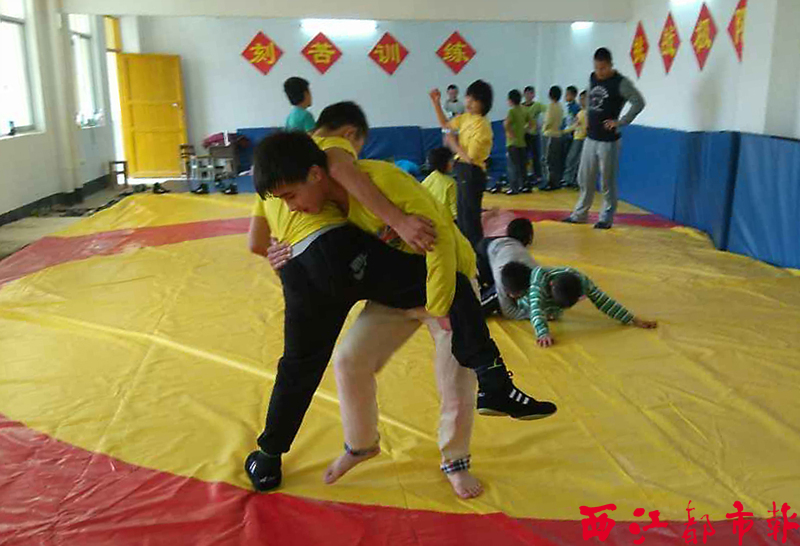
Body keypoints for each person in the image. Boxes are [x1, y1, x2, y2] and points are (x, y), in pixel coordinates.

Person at [245, 125, 557, 493]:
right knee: (348, 360)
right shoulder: (329, 202)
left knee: (454, 372)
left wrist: (438, 301)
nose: (292, 207)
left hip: (446, 275)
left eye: (291, 196)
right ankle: (360, 446)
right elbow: (269, 234)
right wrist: (278, 252)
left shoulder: (379, 178)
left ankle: (458, 457)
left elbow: (440, 243)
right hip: (400, 288)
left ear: (323, 166)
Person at [564, 47, 646, 229]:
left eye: (602, 68)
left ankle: (606, 217)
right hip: (590, 137)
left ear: (610, 65)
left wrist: (621, 121)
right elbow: (591, 98)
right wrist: (587, 116)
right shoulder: (593, 78)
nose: (599, 72)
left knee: (607, 181)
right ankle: (580, 214)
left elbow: (639, 102)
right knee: (585, 178)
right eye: (596, 68)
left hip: (609, 141)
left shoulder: (621, 83)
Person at [500, 262, 657, 347]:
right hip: (527, 295)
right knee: (526, 303)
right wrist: (543, 333)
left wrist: (631, 319)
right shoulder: (537, 283)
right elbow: (536, 308)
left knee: (553, 313)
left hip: (551, 304)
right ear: (551, 285)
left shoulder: (583, 282)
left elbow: (604, 301)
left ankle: (554, 309)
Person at [429, 80, 494, 248]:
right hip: (463, 170)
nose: (469, 103)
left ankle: (477, 253)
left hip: (473, 172)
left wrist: (453, 143)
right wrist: (436, 103)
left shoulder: (482, 126)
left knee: (470, 219)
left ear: (484, 104)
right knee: (463, 216)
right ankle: (467, 251)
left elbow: (470, 158)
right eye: (468, 98)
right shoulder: (466, 118)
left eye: (474, 100)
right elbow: (446, 125)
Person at [474, 218, 537, 318]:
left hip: (507, 247)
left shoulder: (536, 274)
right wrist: (532, 314)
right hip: (486, 250)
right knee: (481, 308)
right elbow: (508, 311)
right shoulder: (500, 280)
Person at [503, 89, 529, 195]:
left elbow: (506, 124)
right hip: (522, 142)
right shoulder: (524, 110)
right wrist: (524, 130)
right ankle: (524, 186)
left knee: (513, 166)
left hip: (512, 143)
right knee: (522, 166)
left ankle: (514, 188)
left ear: (510, 100)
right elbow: (532, 123)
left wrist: (510, 134)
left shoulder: (512, 111)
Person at [421, 147, 458, 220]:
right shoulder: (450, 183)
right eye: (451, 161)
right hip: (446, 221)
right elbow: (454, 209)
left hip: (430, 218)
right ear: (444, 163)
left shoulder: (428, 179)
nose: (453, 163)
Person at [562, 90, 588, 189]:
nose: (581, 101)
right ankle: (569, 180)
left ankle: (576, 181)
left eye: (584, 99)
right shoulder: (580, 113)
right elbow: (575, 125)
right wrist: (563, 131)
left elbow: (584, 126)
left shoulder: (588, 113)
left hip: (582, 139)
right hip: (577, 137)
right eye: (580, 99)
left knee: (578, 161)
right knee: (571, 159)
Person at [540, 86, 564, 191]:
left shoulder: (551, 106)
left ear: (550, 95)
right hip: (558, 134)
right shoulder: (560, 107)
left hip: (549, 134)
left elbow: (548, 121)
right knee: (555, 160)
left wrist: (543, 129)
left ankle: (548, 182)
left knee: (546, 159)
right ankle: (555, 182)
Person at [522, 86, 546, 188]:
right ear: (524, 94)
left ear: (534, 95)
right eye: (527, 93)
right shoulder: (521, 107)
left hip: (534, 134)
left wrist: (542, 124)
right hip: (524, 134)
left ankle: (538, 176)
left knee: (536, 155)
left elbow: (547, 110)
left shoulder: (537, 105)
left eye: (531, 93)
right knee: (524, 156)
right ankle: (526, 175)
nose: (529, 95)